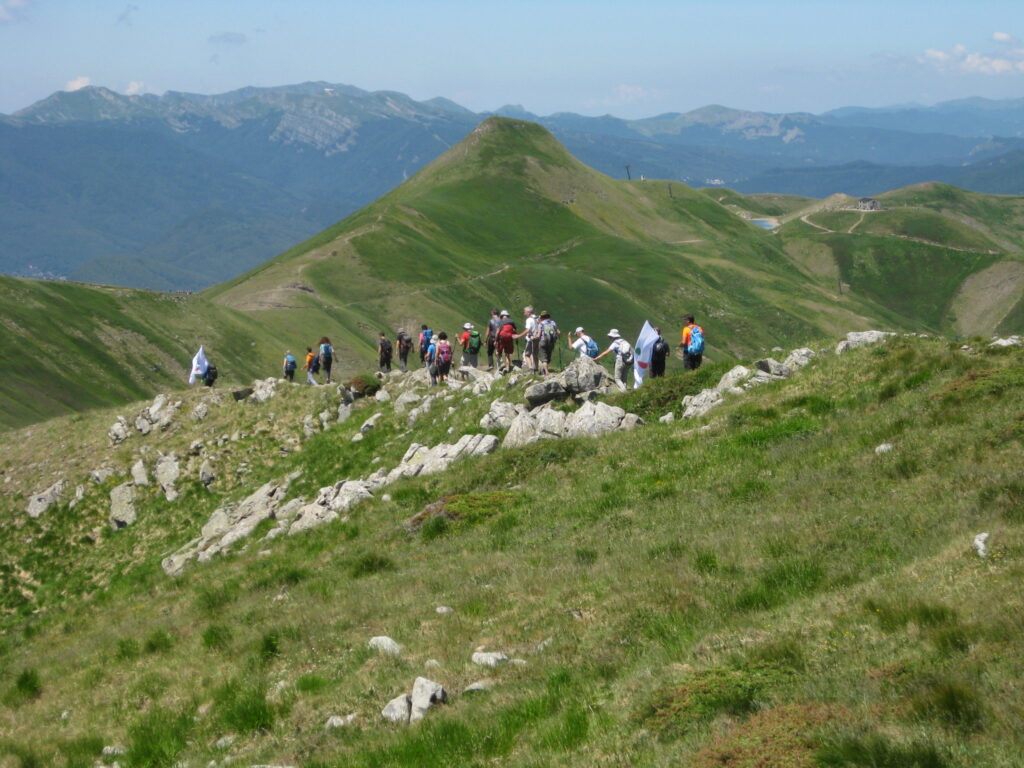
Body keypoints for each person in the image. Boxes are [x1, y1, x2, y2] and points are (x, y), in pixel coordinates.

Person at [514, 305, 540, 373]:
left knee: (527, 354)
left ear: (528, 312)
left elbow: (528, 330)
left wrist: (519, 335)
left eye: (525, 312)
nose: (524, 313)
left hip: (531, 339)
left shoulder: (529, 320)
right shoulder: (538, 318)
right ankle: (536, 368)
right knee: (535, 354)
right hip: (538, 338)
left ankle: (531, 369)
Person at [536, 310, 559, 375]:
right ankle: (545, 369)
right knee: (548, 356)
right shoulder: (553, 323)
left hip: (543, 341)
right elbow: (558, 332)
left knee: (543, 357)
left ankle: (546, 371)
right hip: (551, 342)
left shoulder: (541, 324)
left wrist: (533, 337)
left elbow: (538, 335)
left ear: (542, 317)